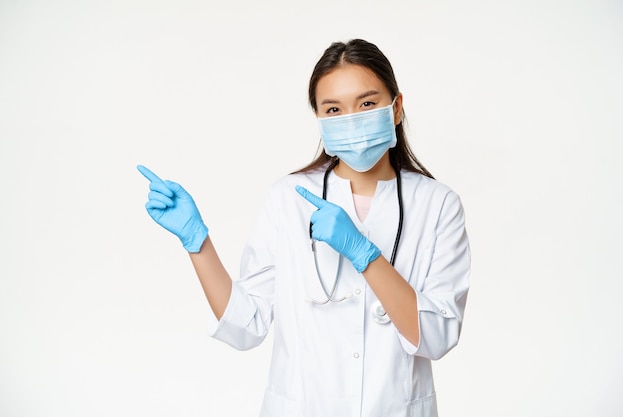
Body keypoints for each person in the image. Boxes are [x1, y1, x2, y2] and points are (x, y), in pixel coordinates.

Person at [138, 38, 470, 417]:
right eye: (334, 108)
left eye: (366, 103)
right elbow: (247, 324)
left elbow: (438, 337)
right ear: (320, 119)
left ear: (396, 108)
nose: (351, 118)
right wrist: (198, 244)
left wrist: (364, 254)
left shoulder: (438, 204)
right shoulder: (288, 197)